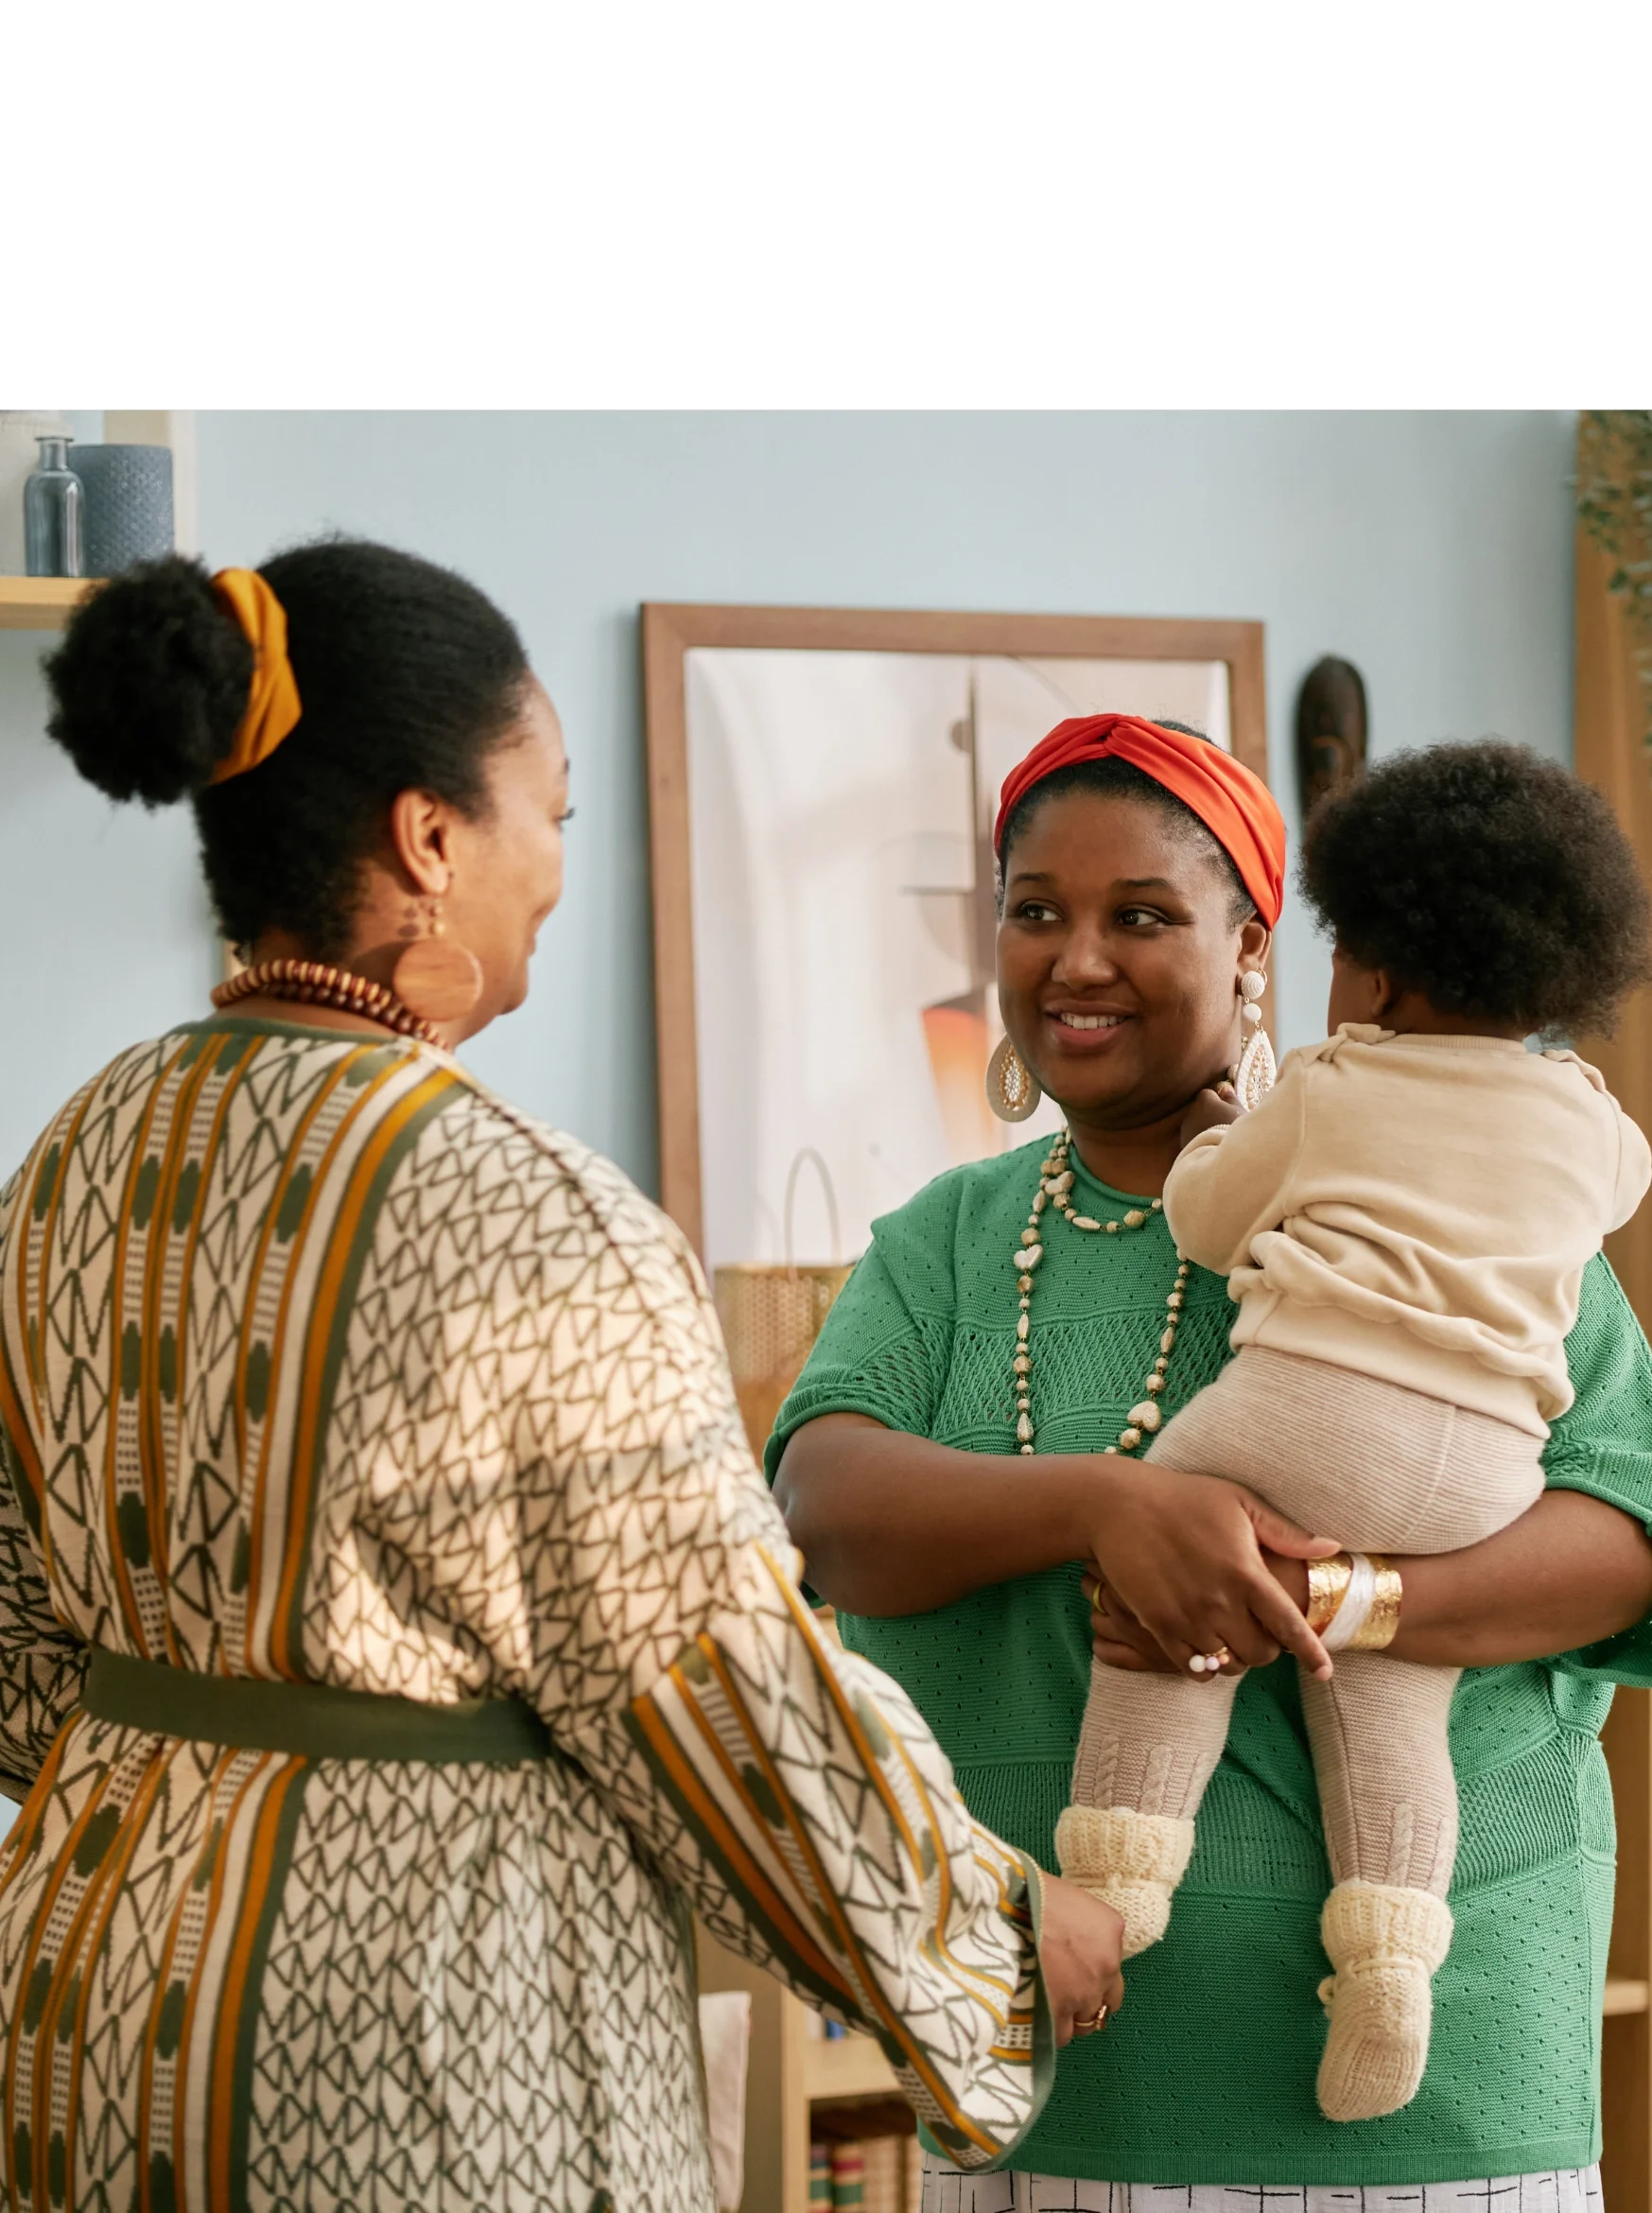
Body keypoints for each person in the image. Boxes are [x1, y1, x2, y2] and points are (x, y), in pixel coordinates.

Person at [0, 547, 1124, 2213]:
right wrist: (992, 1929)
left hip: (87, 1982)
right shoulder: (530, 1212)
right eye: (552, 812)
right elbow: (712, 1689)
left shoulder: (79, 1149)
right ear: (429, 838)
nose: (555, 866)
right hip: (410, 2040)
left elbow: (24, 1644)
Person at [771, 712, 1652, 2213]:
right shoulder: (952, 1239)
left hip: (1436, 2109)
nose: (1075, 959)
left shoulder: (1450, 1207)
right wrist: (1111, 1506)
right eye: (1033, 910)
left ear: (1256, 952)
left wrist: (1353, 1601)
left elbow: (1627, 1542)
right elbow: (828, 1510)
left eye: (1141, 916)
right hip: (1053, 2066)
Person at [1056, 737, 1652, 2126]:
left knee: (1179, 1555)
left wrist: (1231, 1129)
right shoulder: (1588, 1121)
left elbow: (1208, 1220)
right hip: (1483, 1481)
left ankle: (1120, 1875)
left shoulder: (1326, 1086)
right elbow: (1612, 1191)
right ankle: (1388, 1962)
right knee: (1393, 1702)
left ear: (1374, 973)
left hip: (1313, 1414)